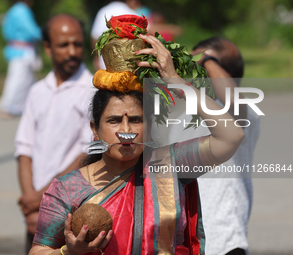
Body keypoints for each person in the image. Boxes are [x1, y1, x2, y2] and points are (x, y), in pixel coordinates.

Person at [29, 15, 245, 255]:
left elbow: (231, 136)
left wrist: (175, 81)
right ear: (94, 129)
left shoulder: (171, 165)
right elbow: (38, 250)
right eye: (113, 121)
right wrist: (68, 252)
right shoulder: (66, 189)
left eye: (136, 120)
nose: (126, 131)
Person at [168, 37, 260, 255]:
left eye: (202, 64)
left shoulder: (246, 112)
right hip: (183, 236)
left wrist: (207, 59)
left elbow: (234, 102)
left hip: (223, 238)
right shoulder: (184, 110)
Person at [15, 14, 94, 254]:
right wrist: (30, 202)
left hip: (72, 209)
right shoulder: (37, 91)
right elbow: (24, 149)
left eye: (77, 44)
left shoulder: (93, 90)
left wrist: (42, 199)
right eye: (63, 45)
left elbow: (86, 152)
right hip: (36, 207)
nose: (72, 51)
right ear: (47, 48)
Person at [0, 0, 42, 118]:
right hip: (21, 51)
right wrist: (47, 34)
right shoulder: (22, 10)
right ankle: (8, 107)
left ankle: (25, 107)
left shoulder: (13, 10)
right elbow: (31, 30)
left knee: (28, 81)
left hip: (17, 49)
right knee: (18, 80)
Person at [91, 0, 138, 71]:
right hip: (130, 67)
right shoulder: (131, 12)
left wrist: (96, 57)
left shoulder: (103, 11)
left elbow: (95, 37)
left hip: (106, 65)